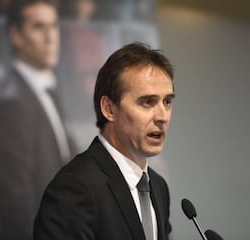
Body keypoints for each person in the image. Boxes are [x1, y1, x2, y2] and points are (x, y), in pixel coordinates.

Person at [34, 42, 175, 240]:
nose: (162, 116)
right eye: (147, 102)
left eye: (167, 102)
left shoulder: (159, 188)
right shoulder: (74, 187)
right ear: (109, 109)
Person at [0, 0, 75, 239]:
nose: (50, 37)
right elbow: (18, 203)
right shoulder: (14, 103)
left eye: (54, 26)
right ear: (16, 35)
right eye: (39, 27)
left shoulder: (46, 91)